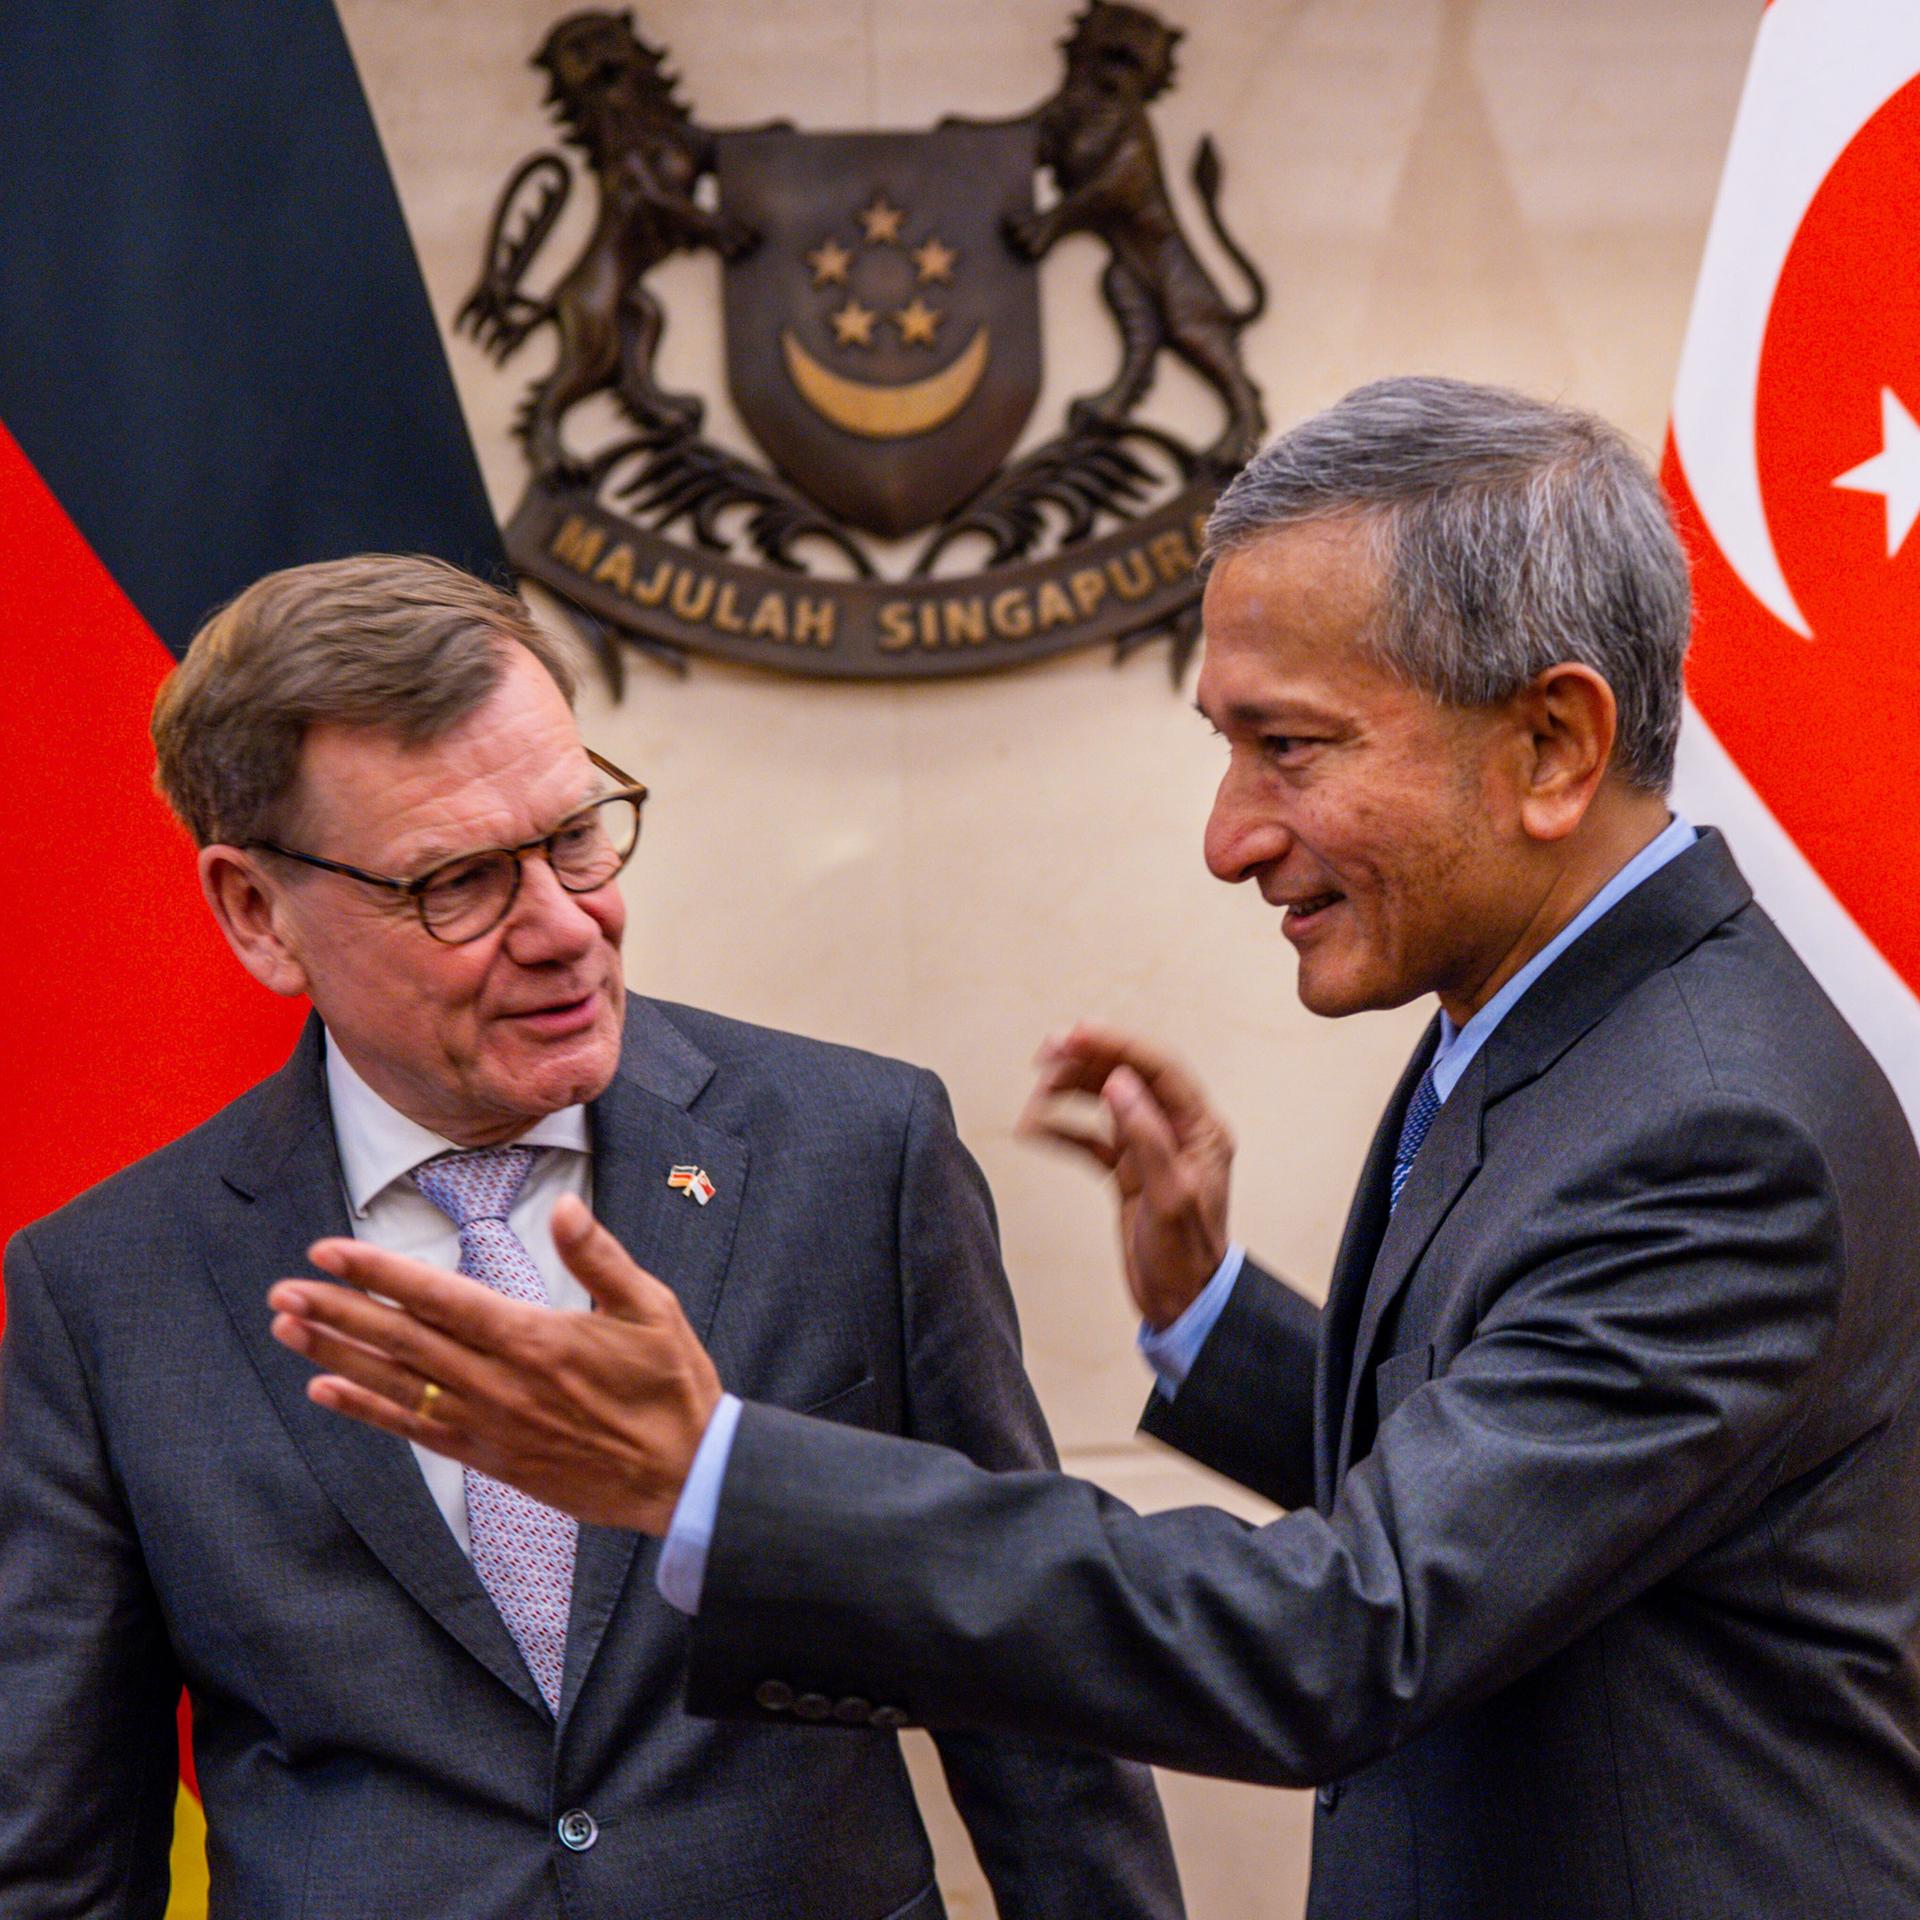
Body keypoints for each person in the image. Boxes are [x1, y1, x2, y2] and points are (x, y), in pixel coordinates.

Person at [267, 381, 1920, 1920]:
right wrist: (1216, 1321)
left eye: (1291, 746)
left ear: (1552, 747)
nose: (1229, 838)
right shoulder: (1567, 1019)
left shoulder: (1713, 1126)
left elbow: (1343, 1634)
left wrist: (711, 1474)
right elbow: (1524, 1485)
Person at [0, 555, 1183, 1920]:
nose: (568, 928)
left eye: (575, 835)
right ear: (257, 913)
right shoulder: (108, 1290)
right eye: (459, 881)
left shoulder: (857, 1155)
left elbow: (1035, 1692)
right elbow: (59, 1855)